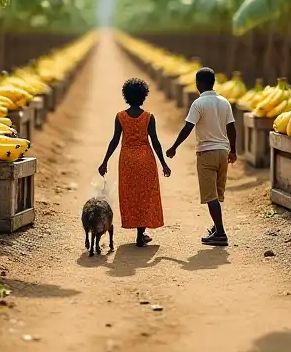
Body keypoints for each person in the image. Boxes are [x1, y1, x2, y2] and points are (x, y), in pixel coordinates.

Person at [166, 66, 235, 247]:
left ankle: (220, 233)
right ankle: (216, 227)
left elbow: (188, 127)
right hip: (223, 152)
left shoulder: (198, 104)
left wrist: (174, 147)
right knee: (218, 193)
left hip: (207, 153)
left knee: (210, 195)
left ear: (198, 84)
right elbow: (232, 128)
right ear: (213, 83)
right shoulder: (224, 102)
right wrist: (233, 151)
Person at [98, 78, 170, 247]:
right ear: (144, 96)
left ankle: (138, 231)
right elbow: (156, 142)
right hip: (145, 159)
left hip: (127, 159)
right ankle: (141, 233)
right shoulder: (149, 117)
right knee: (145, 194)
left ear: (126, 96)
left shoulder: (120, 117)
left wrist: (105, 161)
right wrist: (164, 163)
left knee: (131, 194)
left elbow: (114, 141)